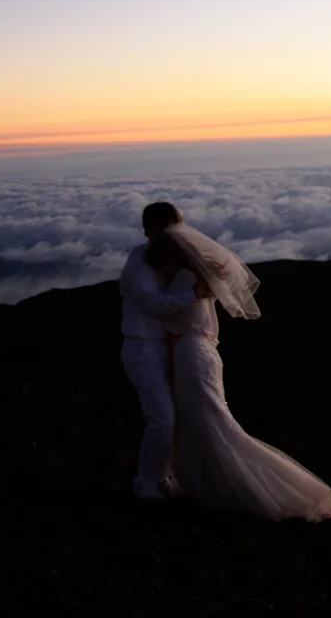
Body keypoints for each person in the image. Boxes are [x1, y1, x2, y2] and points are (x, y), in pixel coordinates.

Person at [148, 221, 331, 523]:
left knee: (210, 421)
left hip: (191, 356)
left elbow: (163, 311)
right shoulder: (196, 278)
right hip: (199, 353)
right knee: (207, 420)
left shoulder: (184, 279)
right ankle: (216, 484)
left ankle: (252, 490)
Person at [119, 202, 210, 500]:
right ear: (148, 231)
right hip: (141, 346)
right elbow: (154, 304)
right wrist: (193, 294)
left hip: (165, 346)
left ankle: (163, 476)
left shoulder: (161, 257)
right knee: (162, 419)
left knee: (175, 417)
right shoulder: (139, 263)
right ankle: (145, 481)